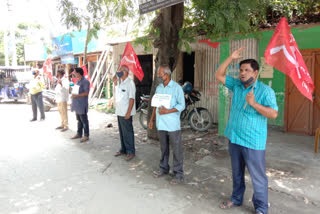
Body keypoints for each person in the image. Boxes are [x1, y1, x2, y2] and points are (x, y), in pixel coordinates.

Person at [215, 47, 278, 214]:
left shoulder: (265, 91)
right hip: (234, 138)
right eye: (241, 70)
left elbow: (273, 113)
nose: (242, 73)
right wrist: (230, 58)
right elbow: (219, 75)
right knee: (236, 172)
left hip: (253, 141)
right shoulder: (236, 85)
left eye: (247, 70)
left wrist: (254, 104)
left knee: (258, 177)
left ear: (255, 73)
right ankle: (236, 198)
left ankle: (261, 208)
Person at [148, 65, 185, 185]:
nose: (159, 76)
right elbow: (155, 104)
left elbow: (181, 105)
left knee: (176, 150)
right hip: (161, 124)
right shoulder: (159, 88)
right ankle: (163, 168)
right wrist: (151, 120)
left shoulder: (176, 88)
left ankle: (178, 174)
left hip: (172, 125)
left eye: (160, 74)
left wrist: (167, 111)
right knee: (163, 148)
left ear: (167, 74)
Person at [113, 65, 136, 161]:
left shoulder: (130, 83)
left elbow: (131, 99)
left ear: (126, 72)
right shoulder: (120, 82)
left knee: (128, 132)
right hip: (119, 112)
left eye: (121, 70)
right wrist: (114, 80)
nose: (119, 72)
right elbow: (117, 90)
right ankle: (123, 149)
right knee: (122, 132)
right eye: (119, 70)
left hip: (126, 113)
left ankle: (131, 151)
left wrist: (128, 112)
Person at [70, 67, 90, 143]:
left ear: (78, 73)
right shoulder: (77, 81)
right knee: (79, 120)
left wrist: (76, 96)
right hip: (77, 104)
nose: (73, 74)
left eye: (74, 72)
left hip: (82, 104)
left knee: (84, 120)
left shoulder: (85, 81)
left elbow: (86, 93)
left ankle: (86, 135)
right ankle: (79, 133)